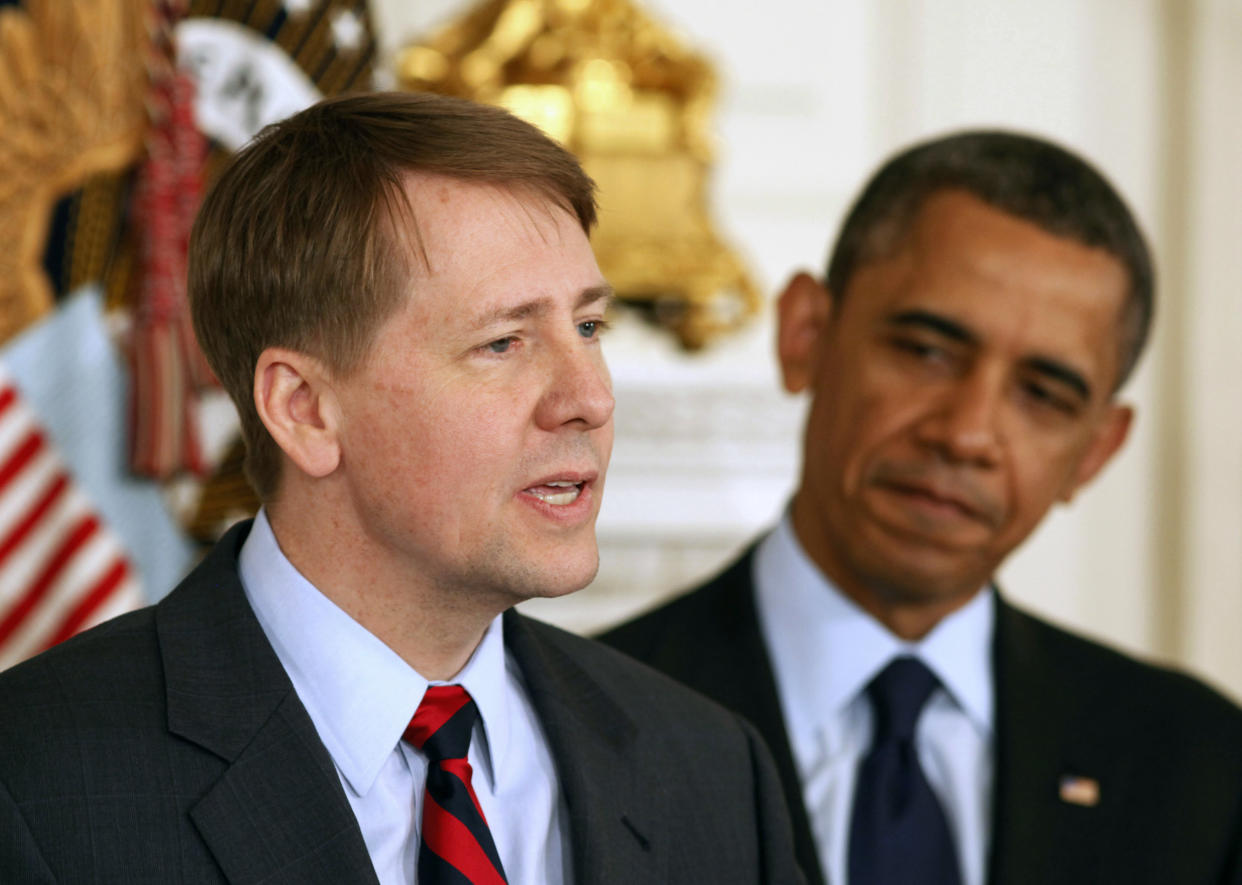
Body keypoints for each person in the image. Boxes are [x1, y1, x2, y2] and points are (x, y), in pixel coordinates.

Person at [0, 92, 804, 885]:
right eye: (503, 342)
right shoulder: (35, 784)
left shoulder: (710, 769)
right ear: (304, 409)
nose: (589, 398)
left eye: (589, 326)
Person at [602, 130, 1242, 885]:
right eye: (926, 351)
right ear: (805, 334)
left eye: (1042, 394)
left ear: (1096, 450)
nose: (967, 433)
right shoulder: (585, 720)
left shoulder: (1200, 766)